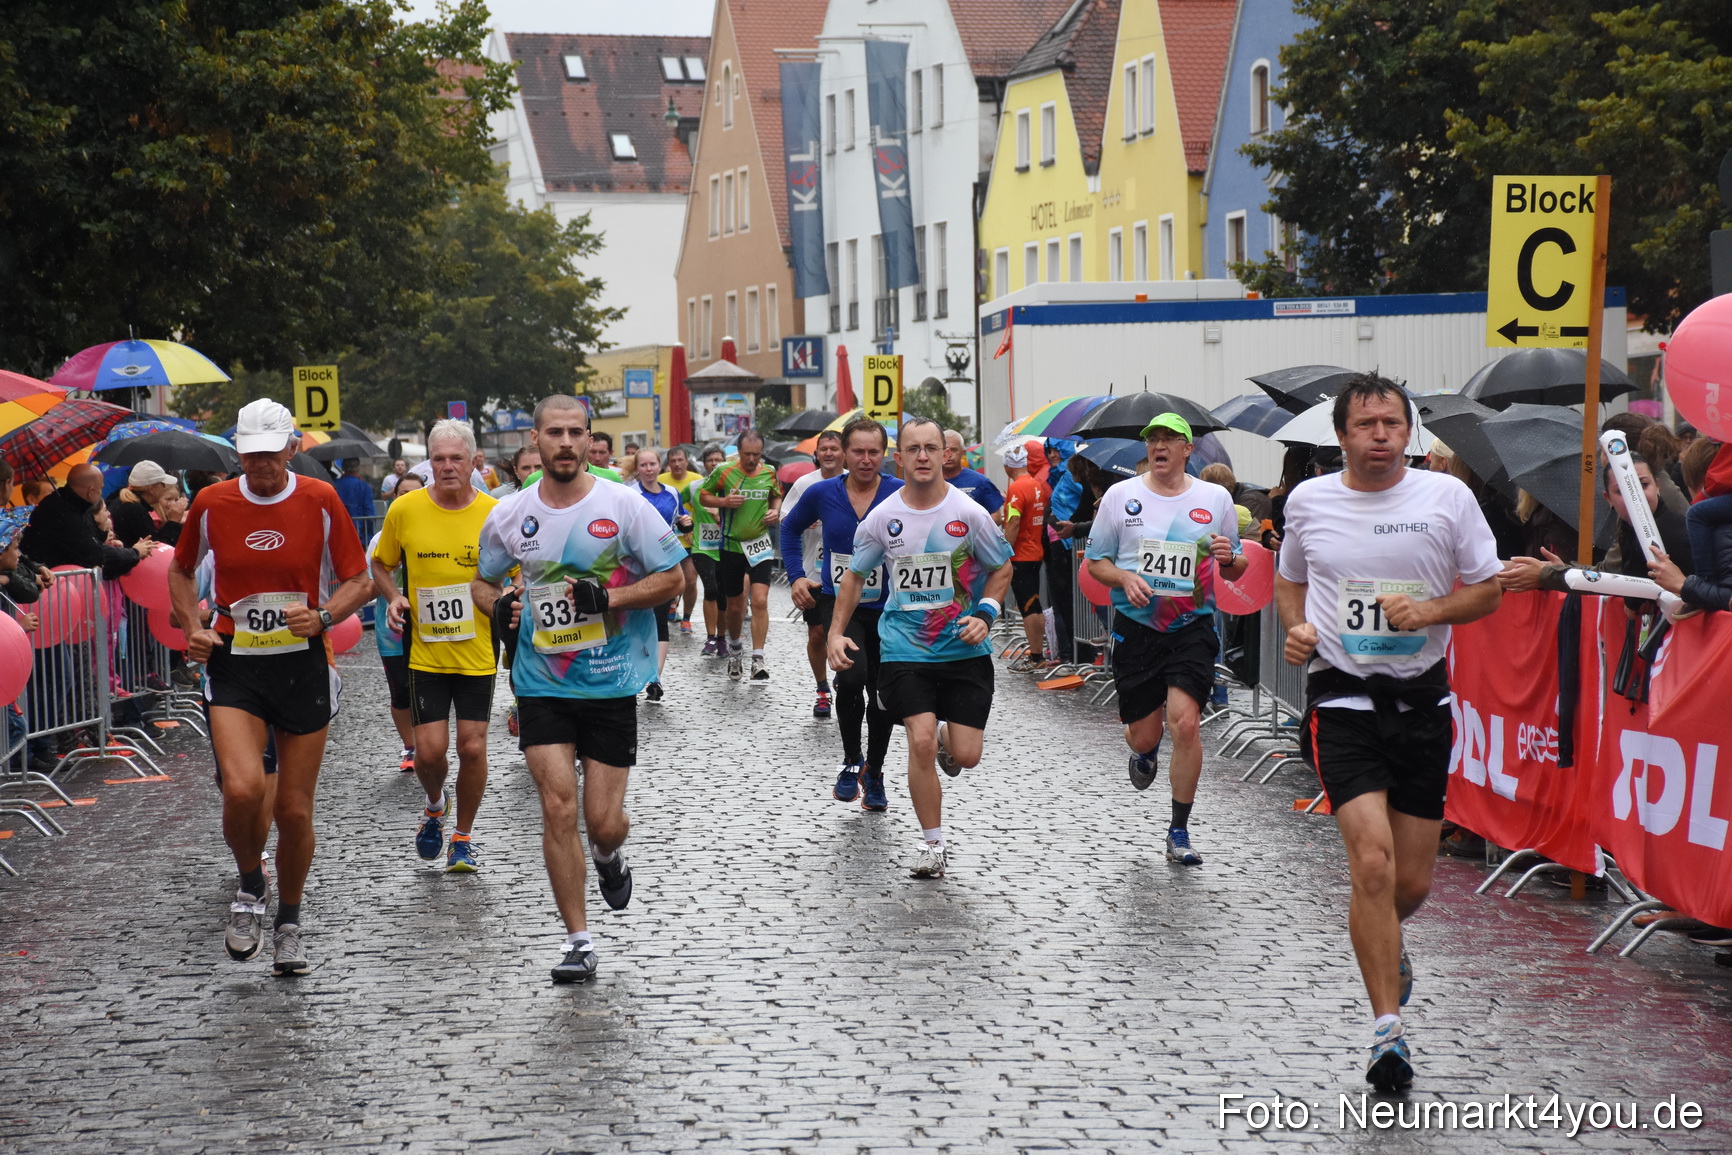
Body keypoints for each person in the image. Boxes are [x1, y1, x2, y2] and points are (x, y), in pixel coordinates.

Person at [1273, 374, 1502, 1092]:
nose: (1380, 435)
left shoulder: (1447, 498)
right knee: (1369, 864)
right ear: (1340, 434)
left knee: (1410, 881)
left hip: (1423, 704)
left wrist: (1432, 611)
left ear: (1410, 432)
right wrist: (1298, 627)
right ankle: (1387, 1032)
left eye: (1392, 424)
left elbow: (1489, 586)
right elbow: (1288, 580)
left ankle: (1387, 938)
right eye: (1366, 424)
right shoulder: (1309, 500)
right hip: (1342, 702)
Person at [471, 394, 685, 983]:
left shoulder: (624, 505)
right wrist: (505, 606)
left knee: (603, 821)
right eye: (554, 433)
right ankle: (578, 939)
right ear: (535, 440)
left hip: (611, 680)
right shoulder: (510, 514)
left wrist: (610, 598)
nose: (565, 443)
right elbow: (482, 584)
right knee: (557, 805)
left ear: (590, 439)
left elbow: (674, 577)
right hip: (541, 679)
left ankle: (610, 855)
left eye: (575, 433)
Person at [168, 398, 372, 977]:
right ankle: (250, 886)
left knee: (294, 810)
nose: (260, 464)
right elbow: (181, 570)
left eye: (270, 452)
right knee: (240, 788)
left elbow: (359, 579)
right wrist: (193, 627)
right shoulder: (212, 503)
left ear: (290, 448)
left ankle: (288, 920)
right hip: (236, 663)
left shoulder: (320, 499)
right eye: (250, 453)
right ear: (239, 451)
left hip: (302, 663)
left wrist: (326, 616)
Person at [828, 416, 1013, 878]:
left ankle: (954, 743)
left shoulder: (968, 513)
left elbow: (1002, 568)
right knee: (922, 740)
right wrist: (836, 632)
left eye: (932, 447)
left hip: (964, 651)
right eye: (915, 449)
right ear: (901, 457)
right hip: (904, 651)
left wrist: (986, 613)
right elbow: (854, 576)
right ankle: (933, 846)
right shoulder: (883, 518)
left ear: (945, 455)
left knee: (965, 755)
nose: (925, 456)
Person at [1084, 414, 1245, 866]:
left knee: (1187, 723)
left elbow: (1237, 565)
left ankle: (1179, 830)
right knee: (1143, 734)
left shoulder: (1214, 498)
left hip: (1192, 626)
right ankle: (1146, 751)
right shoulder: (1121, 497)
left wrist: (1229, 557)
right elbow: (1096, 562)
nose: (1158, 446)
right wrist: (1124, 576)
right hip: (1137, 627)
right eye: (1152, 439)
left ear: (1187, 449)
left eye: (1169, 439)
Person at [371, 419, 499, 873]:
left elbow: (518, 571)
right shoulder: (405, 510)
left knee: (472, 748)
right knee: (429, 753)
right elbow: (380, 564)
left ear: (472, 461)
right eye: (439, 459)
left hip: (478, 652)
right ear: (429, 462)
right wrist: (394, 596)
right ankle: (434, 804)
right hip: (424, 652)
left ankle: (462, 838)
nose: (447, 467)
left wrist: (511, 599)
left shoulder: (493, 512)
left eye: (456, 459)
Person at [782, 418, 902, 807]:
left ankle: (877, 772)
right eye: (858, 452)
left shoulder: (901, 493)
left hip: (890, 607)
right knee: (851, 679)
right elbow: (788, 529)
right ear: (844, 454)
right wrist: (797, 576)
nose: (866, 460)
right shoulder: (821, 492)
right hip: (840, 600)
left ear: (885, 454)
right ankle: (853, 760)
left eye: (874, 452)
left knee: (882, 691)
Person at [698, 428, 781, 681]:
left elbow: (776, 496)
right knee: (735, 607)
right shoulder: (724, 471)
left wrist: (775, 511)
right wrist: (723, 503)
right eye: (747, 454)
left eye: (757, 454)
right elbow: (703, 496)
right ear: (739, 451)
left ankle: (758, 658)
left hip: (760, 546)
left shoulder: (769, 472)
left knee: (760, 601)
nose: (752, 459)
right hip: (731, 546)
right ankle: (735, 650)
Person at [779, 431, 845, 717]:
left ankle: (847, 675)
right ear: (817, 453)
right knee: (818, 634)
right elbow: (785, 519)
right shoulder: (806, 484)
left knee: (846, 632)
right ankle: (822, 689)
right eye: (824, 449)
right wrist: (807, 521)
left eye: (834, 448)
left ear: (844, 452)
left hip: (849, 573)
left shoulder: (855, 480)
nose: (829, 453)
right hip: (814, 571)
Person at [629, 448, 693, 701]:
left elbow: (678, 521)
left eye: (652, 464)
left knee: (659, 621)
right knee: (634, 621)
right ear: (637, 469)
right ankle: (634, 674)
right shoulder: (630, 494)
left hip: (664, 563)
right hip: (636, 565)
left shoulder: (672, 493)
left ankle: (655, 678)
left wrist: (686, 524)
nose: (648, 469)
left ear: (659, 466)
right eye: (643, 465)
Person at [367, 528, 416, 773]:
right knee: (400, 688)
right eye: (402, 493)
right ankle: (411, 746)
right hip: (392, 630)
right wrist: (389, 575)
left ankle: (430, 745)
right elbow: (368, 585)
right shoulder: (380, 540)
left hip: (432, 626)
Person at [1000, 443, 1053, 670]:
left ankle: (1036, 657)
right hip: (1034, 551)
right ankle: (1037, 654)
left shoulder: (1016, 488)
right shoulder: (1034, 484)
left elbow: (1013, 521)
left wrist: (1004, 551)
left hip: (1021, 554)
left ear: (1007, 466)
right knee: (1034, 604)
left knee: (1028, 605)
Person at [688, 446, 729, 655]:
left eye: (718, 460)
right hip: (702, 547)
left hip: (725, 547)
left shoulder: (731, 486)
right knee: (710, 589)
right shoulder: (695, 486)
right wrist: (685, 522)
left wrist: (718, 516)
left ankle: (722, 639)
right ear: (704, 463)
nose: (714, 463)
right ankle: (710, 637)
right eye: (710, 460)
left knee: (723, 595)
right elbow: (680, 503)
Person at [657, 447, 702, 634]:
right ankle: (671, 603)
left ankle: (687, 617)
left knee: (690, 580)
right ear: (668, 463)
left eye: (680, 460)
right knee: (670, 580)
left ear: (686, 461)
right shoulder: (660, 481)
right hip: (667, 540)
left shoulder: (696, 480)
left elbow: (702, 508)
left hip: (690, 539)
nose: (676, 464)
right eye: (672, 461)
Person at [111, 461, 183, 547]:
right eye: (162, 484)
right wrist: (173, 522)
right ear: (151, 489)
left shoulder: (126, 502)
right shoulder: (135, 509)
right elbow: (157, 549)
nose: (164, 488)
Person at [943, 429, 1003, 514]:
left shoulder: (981, 482)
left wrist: (970, 526)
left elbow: (996, 517)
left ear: (963, 453)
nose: (949, 454)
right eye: (945, 450)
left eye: (954, 450)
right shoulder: (928, 482)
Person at [334, 458, 377, 533]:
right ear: (358, 468)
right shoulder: (363, 486)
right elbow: (369, 513)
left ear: (343, 467)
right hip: (359, 531)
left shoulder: (334, 484)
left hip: (339, 529)